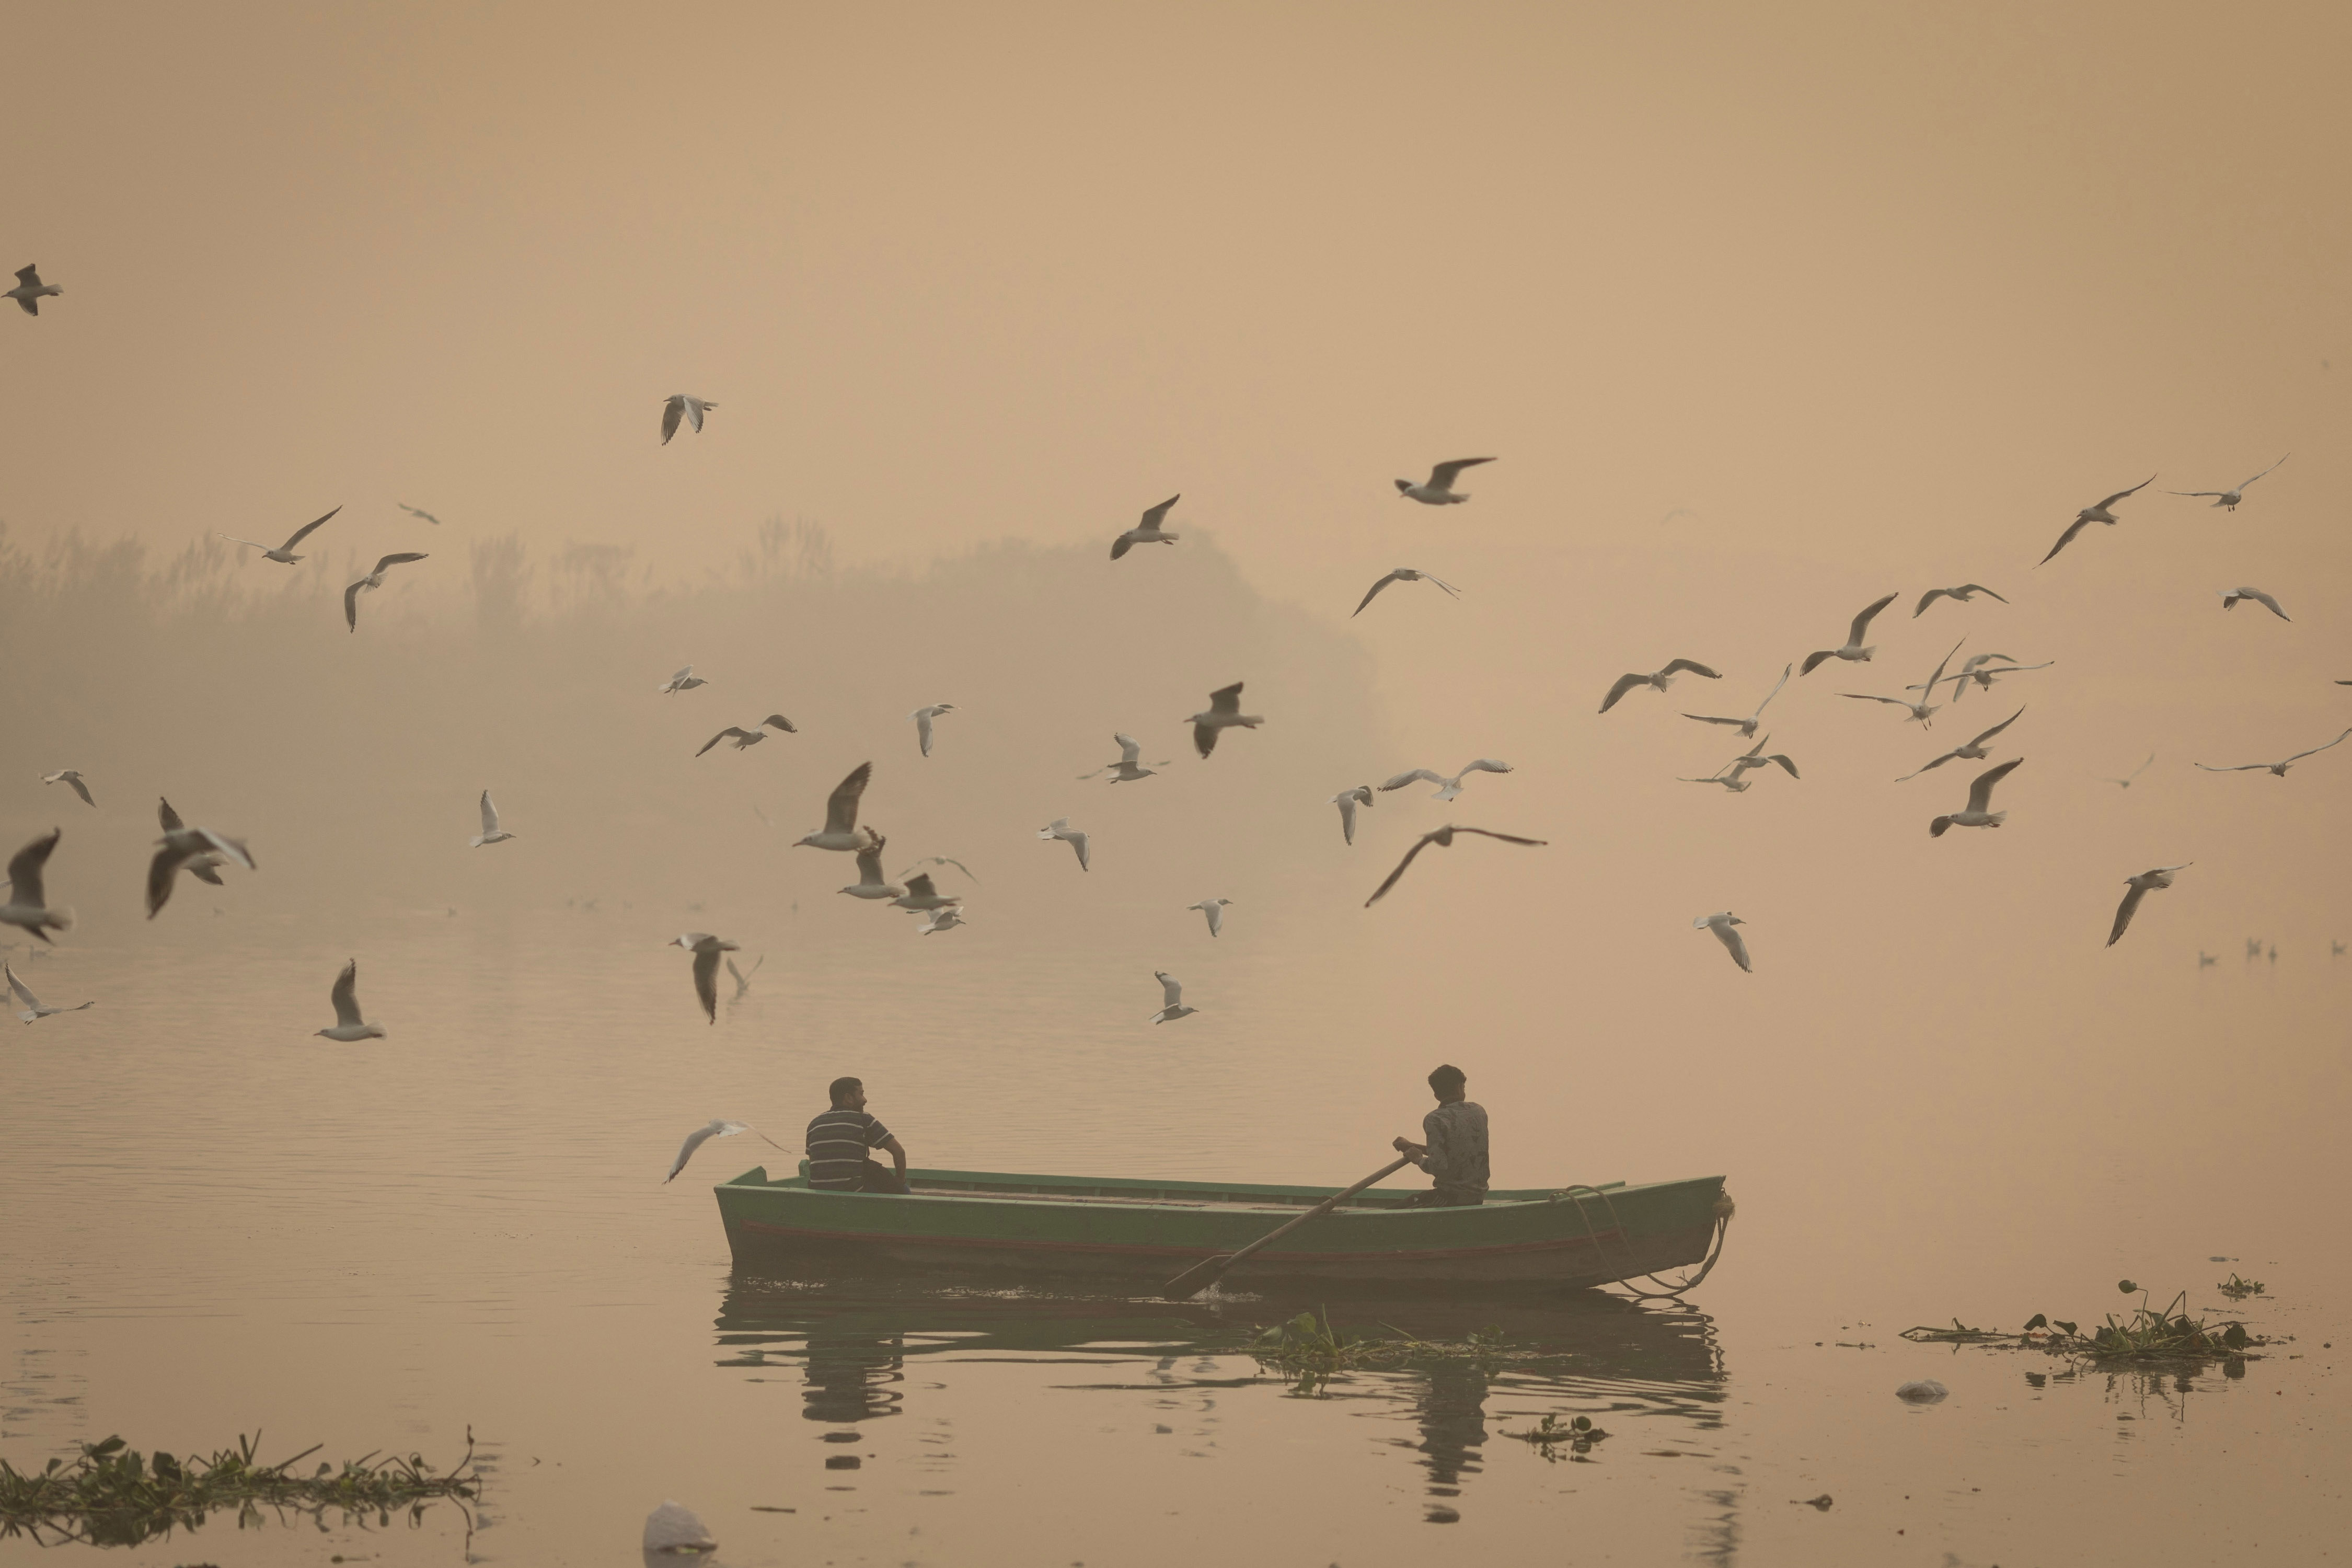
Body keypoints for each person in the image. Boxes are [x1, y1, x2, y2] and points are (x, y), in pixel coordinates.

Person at [1392, 1063, 1488, 1207]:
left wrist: (1418, 1159)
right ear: (1460, 1087)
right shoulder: (1478, 1112)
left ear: (1436, 1095)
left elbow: (1438, 1166)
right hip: (1477, 1197)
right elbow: (1454, 1150)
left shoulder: (1435, 1119)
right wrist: (1410, 1146)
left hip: (1450, 1199)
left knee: (1392, 1211)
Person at [805, 1076, 910, 1194]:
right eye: (861, 1094)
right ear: (849, 1098)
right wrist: (900, 1182)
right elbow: (899, 1152)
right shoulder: (863, 1119)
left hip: (818, 1193)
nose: (865, 1100)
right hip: (854, 1192)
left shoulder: (814, 1124)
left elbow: (814, 1162)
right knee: (904, 1190)